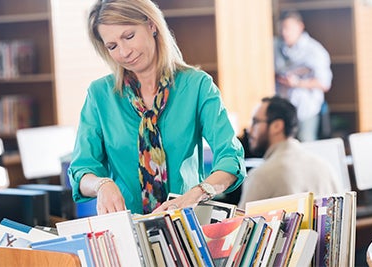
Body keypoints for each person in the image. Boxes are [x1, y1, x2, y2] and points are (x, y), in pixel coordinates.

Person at [68, 0, 246, 215]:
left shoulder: (197, 86)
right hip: (126, 227)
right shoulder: (100, 95)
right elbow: (81, 169)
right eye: (112, 46)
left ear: (152, 25)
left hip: (188, 222)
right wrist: (101, 184)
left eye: (129, 36)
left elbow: (231, 158)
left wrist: (197, 193)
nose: (124, 52)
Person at [237, 96, 343, 209]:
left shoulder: (261, 175)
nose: (249, 129)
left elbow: (241, 225)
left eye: (255, 122)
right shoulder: (325, 167)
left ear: (277, 126)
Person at [273, 10, 332, 141]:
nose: (284, 32)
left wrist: (297, 83)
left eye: (288, 28)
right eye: (281, 28)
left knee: (306, 147)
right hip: (282, 111)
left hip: (306, 110)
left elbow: (324, 83)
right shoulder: (274, 46)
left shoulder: (315, 50)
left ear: (300, 27)